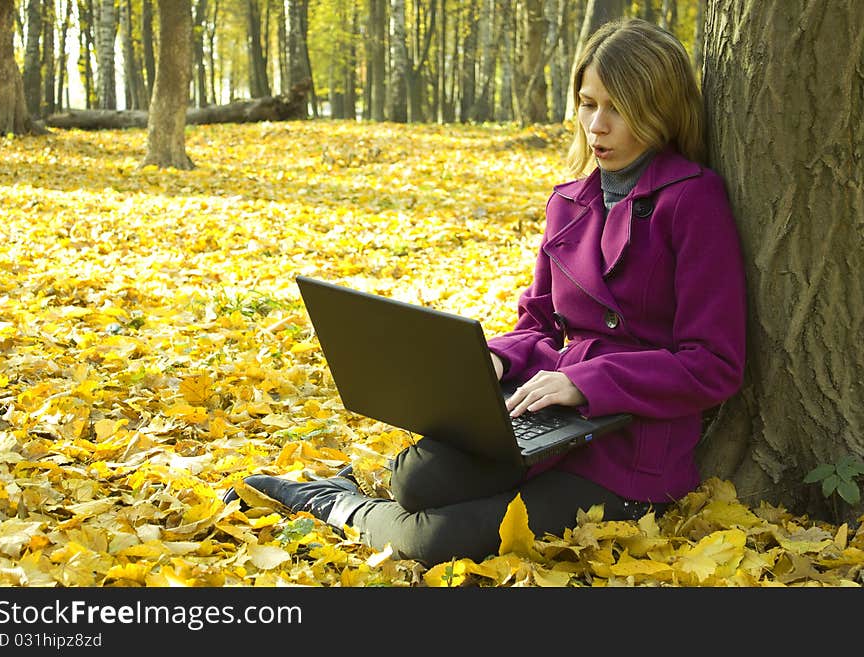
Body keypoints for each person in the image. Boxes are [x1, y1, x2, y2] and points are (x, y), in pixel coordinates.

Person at [222, 18, 747, 568]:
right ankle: (369, 488)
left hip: (634, 446)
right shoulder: (568, 201)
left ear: (659, 110)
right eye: (588, 104)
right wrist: (493, 359)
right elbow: (537, 323)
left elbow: (714, 364)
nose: (597, 127)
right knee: (414, 481)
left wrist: (581, 381)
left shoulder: (691, 199)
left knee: (435, 542)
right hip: (545, 412)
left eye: (618, 108)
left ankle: (332, 502)